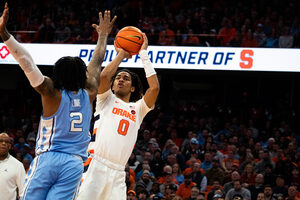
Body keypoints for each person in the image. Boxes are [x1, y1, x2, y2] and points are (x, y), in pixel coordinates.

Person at [0, 3, 117, 200]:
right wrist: (104, 36)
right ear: (82, 74)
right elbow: (97, 60)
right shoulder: (90, 91)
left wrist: (4, 34)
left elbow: (26, 61)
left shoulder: (50, 92)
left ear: (58, 74)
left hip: (48, 158)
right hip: (74, 163)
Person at [77, 32, 160, 199]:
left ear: (132, 88)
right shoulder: (105, 99)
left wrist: (143, 54)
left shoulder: (138, 108)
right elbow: (104, 76)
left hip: (118, 172)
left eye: (126, 78)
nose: (121, 80)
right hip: (96, 164)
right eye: (118, 78)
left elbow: (155, 88)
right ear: (113, 86)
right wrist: (122, 54)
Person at [0, 132, 26, 200]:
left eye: (6, 142)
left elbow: (23, 192)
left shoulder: (18, 165)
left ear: (10, 146)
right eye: (1, 141)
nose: (3, 143)